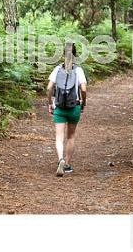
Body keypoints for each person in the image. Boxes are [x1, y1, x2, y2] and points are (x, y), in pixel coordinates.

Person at [47, 42, 87, 177]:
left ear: (64, 54)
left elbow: (49, 88)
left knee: (59, 137)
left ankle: (60, 159)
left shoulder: (57, 69)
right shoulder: (79, 70)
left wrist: (50, 103)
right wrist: (83, 103)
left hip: (59, 106)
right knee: (70, 136)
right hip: (74, 106)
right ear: (74, 55)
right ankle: (68, 164)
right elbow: (83, 89)